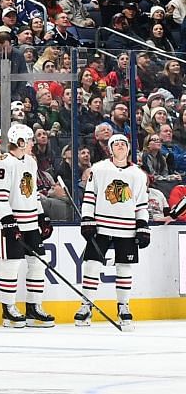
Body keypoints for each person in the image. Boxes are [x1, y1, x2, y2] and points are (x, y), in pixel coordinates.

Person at [77, 130, 150, 327]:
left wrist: (143, 226)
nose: (120, 146)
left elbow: (142, 204)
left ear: (128, 149)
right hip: (101, 226)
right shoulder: (99, 169)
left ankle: (123, 306)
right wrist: (87, 219)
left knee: (124, 267)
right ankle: (86, 305)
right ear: (110, 149)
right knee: (92, 264)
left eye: (123, 144)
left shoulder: (137, 174)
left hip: (126, 228)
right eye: (116, 144)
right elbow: (90, 197)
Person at [0, 123, 52, 328]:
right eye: (30, 140)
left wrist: (41, 217)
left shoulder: (31, 162)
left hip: (30, 222)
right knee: (11, 264)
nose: (33, 143)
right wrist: (8, 221)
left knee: (38, 263)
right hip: (9, 222)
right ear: (20, 142)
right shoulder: (2, 162)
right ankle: (8, 309)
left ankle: (33, 307)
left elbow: (32, 193)